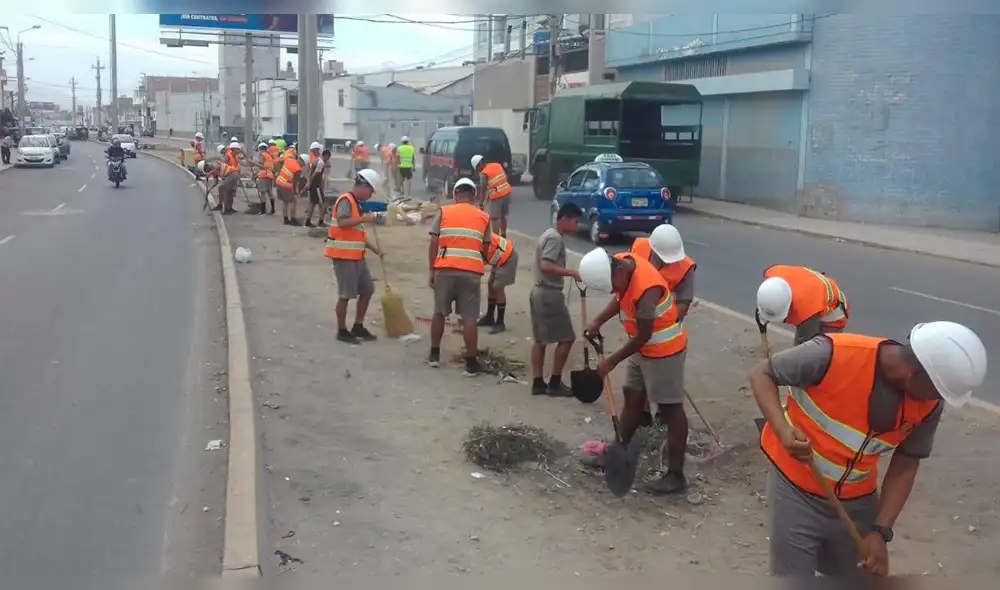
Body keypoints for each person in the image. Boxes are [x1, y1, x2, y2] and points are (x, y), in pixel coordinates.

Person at [750, 321, 986, 577]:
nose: (938, 399)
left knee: (858, 576)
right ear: (914, 373)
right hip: (796, 490)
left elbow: (907, 462)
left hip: (856, 502)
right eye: (937, 390)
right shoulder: (832, 354)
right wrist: (784, 432)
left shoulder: (929, 406)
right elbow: (762, 373)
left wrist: (881, 531)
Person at [578, 247, 690, 494]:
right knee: (633, 397)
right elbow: (619, 299)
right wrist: (598, 320)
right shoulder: (622, 262)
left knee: (670, 409)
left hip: (664, 351)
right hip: (643, 350)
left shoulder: (647, 289)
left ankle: (675, 475)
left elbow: (644, 335)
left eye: (613, 286)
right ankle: (618, 452)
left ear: (617, 273)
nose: (615, 291)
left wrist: (613, 361)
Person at [630, 224, 697, 426]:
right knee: (639, 373)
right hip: (638, 323)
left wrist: (665, 327)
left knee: (664, 378)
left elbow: (684, 302)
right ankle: (642, 416)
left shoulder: (686, 267)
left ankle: (662, 417)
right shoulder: (639, 248)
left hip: (665, 331)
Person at [427, 178, 491, 376]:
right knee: (469, 317)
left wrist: (432, 271)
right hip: (470, 272)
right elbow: (486, 248)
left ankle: (434, 355)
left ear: (455, 195)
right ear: (473, 195)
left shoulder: (444, 211)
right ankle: (471, 364)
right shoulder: (484, 217)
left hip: (444, 270)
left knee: (439, 312)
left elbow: (434, 243)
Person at [529, 203, 583, 396]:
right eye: (576, 222)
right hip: (549, 293)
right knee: (567, 338)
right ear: (565, 219)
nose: (577, 226)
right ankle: (554, 382)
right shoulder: (555, 238)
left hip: (539, 291)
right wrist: (572, 273)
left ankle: (538, 383)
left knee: (540, 340)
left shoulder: (547, 234)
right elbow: (546, 265)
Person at [324, 169, 383, 344]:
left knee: (367, 290)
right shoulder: (346, 200)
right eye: (370, 191)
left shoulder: (357, 204)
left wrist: (375, 250)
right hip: (343, 256)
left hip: (357, 256)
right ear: (363, 186)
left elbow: (358, 235)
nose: (371, 195)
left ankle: (358, 326)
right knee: (345, 295)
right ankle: (342, 330)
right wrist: (365, 219)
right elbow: (343, 222)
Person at [757, 265, 851, 345]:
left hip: (835, 311)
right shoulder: (774, 277)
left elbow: (804, 347)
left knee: (821, 350)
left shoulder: (806, 310)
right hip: (815, 293)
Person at [476, 233, 518, 334]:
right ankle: (489, 317)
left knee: (498, 287)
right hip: (499, 256)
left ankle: (500, 322)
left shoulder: (475, 240)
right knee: (491, 285)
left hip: (507, 256)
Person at [473, 154, 512, 237]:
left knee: (495, 219)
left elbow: (483, 188)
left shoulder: (484, 173)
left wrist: (481, 203)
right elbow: (505, 177)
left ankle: (496, 238)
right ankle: (503, 235)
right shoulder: (497, 165)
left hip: (497, 195)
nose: (477, 171)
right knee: (503, 216)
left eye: (477, 169)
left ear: (479, 165)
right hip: (507, 192)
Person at [274, 149, 305, 225]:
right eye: (303, 164)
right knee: (293, 201)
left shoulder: (289, 160)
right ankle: (293, 219)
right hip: (286, 184)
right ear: (302, 162)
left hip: (279, 181)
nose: (303, 166)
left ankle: (285, 219)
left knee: (285, 202)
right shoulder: (298, 169)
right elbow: (295, 181)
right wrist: (294, 191)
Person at [303, 142, 327, 228]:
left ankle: (308, 221)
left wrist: (308, 183)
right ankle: (320, 222)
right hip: (317, 186)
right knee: (323, 203)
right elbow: (314, 174)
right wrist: (309, 183)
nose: (312, 152)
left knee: (312, 203)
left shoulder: (314, 160)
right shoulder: (320, 162)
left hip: (313, 186)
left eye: (313, 150)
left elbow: (309, 173)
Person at [216, 141, 242, 214]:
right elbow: (223, 166)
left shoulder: (235, 156)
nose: (239, 151)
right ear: (234, 149)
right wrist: (223, 176)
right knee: (226, 191)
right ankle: (226, 209)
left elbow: (238, 165)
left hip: (234, 175)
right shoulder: (228, 156)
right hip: (229, 175)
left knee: (230, 192)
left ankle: (229, 208)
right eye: (238, 149)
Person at [256, 143, 276, 215]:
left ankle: (263, 211)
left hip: (264, 175)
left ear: (260, 149)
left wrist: (253, 162)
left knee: (263, 193)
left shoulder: (262, 155)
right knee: (270, 192)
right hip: (269, 175)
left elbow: (262, 166)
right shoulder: (268, 156)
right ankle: (273, 209)